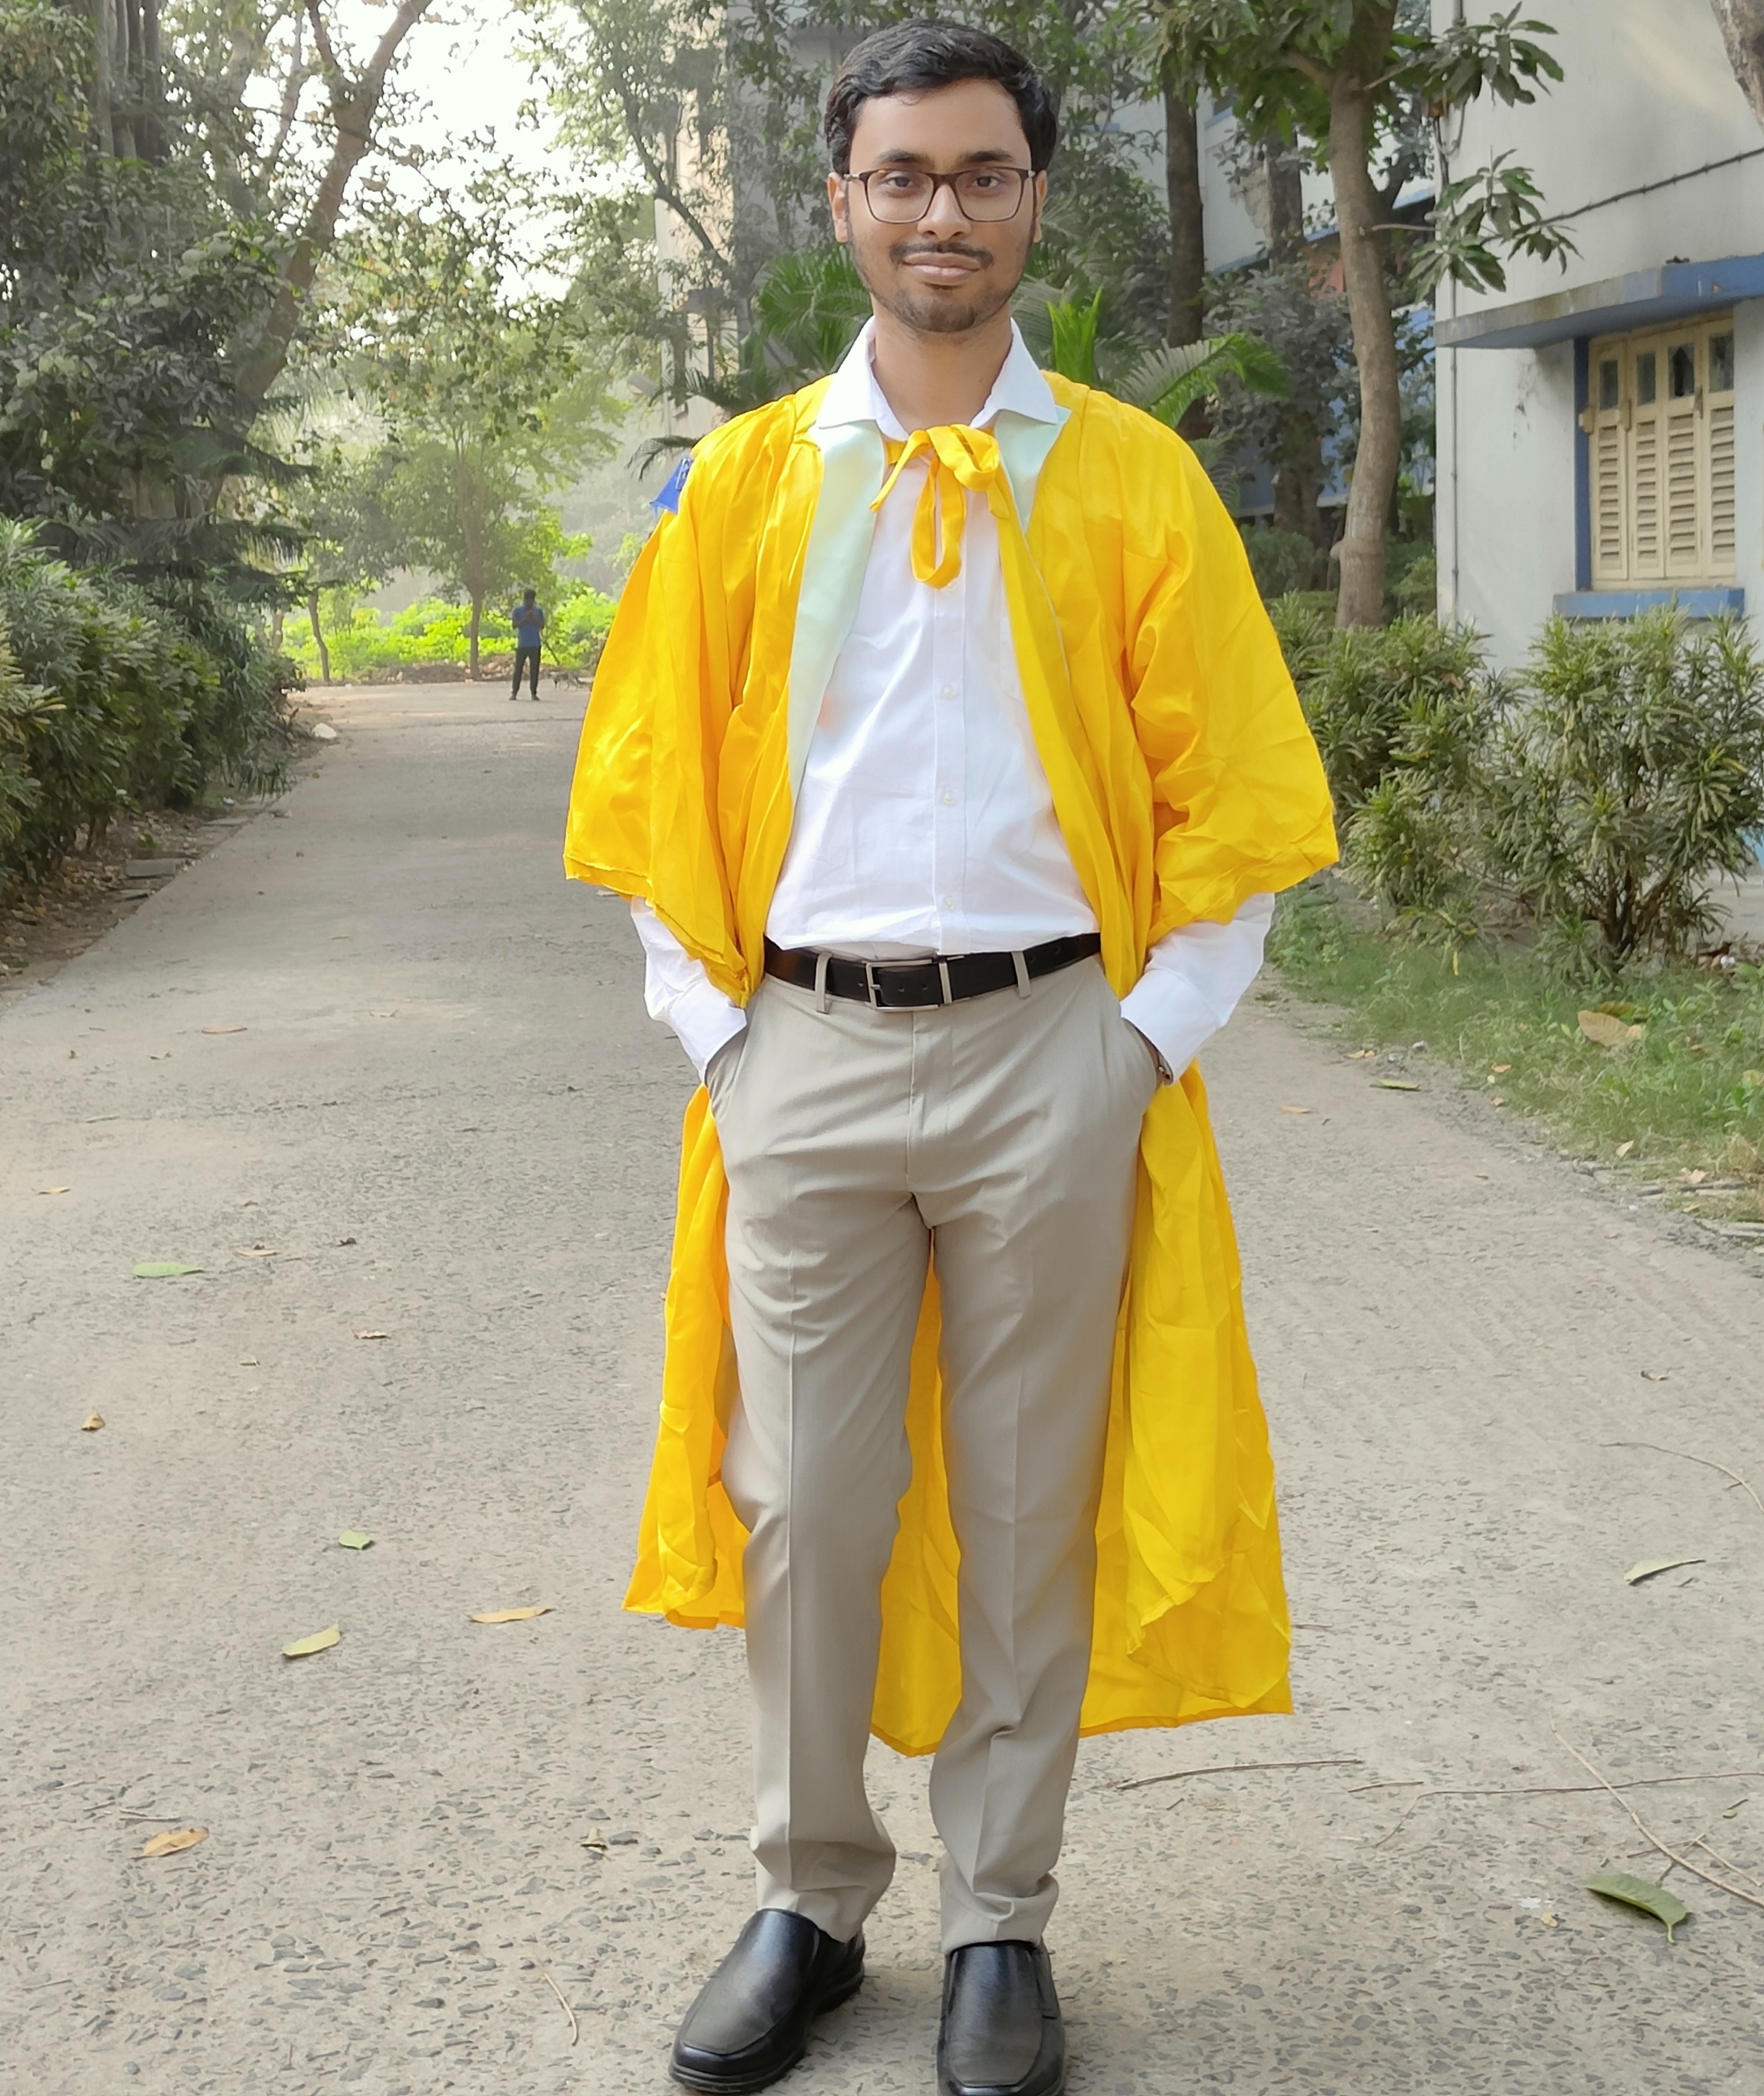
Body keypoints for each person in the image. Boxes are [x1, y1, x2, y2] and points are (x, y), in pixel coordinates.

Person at [564, 21, 1337, 2096]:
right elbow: (645, 793)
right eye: (898, 174)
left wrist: (1141, 1045)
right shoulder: (738, 485)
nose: (937, 209)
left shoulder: (1129, 478)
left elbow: (1233, 801)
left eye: (977, 175)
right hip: (803, 1042)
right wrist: (718, 1033)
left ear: (1025, 202)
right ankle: (811, 1892)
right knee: (803, 1493)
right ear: (840, 205)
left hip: (1048, 1053)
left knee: (1023, 1497)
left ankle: (1000, 1913)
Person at [510, 587, 545, 699]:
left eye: (530, 600)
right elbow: (515, 625)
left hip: (535, 644)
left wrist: (534, 618)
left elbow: (542, 626)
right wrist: (526, 618)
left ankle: (534, 693)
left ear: (533, 600)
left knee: (534, 670)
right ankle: (514, 693)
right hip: (522, 645)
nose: (528, 602)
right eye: (527, 600)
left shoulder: (538, 611)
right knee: (518, 670)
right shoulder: (518, 611)